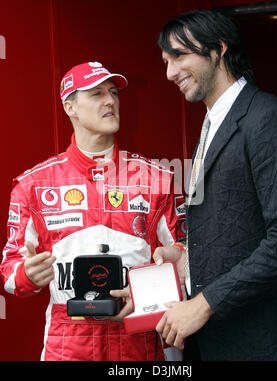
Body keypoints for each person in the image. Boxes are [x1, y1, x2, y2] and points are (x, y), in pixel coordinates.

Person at [0, 61, 186, 361]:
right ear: (69, 107)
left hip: (141, 344)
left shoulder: (157, 178)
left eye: (113, 92)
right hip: (68, 348)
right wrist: (28, 275)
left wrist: (145, 297)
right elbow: (9, 271)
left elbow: (188, 254)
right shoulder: (33, 185)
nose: (110, 100)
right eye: (97, 93)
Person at [153, 9, 277, 361]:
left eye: (179, 56)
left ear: (217, 50)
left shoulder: (269, 118)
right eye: (165, 61)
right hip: (217, 341)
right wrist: (187, 259)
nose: (170, 73)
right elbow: (236, 228)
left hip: (261, 342)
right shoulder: (213, 123)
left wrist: (205, 304)